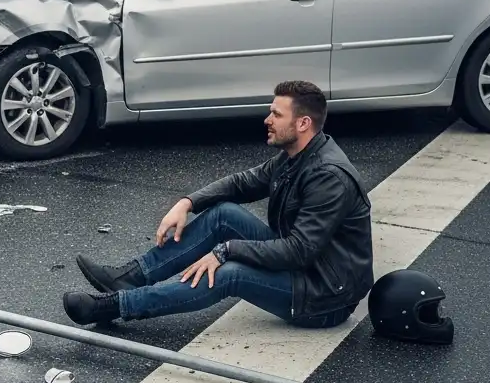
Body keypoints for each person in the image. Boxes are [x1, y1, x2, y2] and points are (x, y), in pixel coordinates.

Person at [62, 80, 373, 329]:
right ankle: (130, 277)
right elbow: (242, 183)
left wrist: (226, 251)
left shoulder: (328, 177)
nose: (267, 120)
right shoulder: (297, 156)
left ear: (303, 123)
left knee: (229, 273)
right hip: (305, 266)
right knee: (224, 214)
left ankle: (113, 307)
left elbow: (298, 250)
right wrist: (188, 202)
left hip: (324, 296)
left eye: (277, 114)